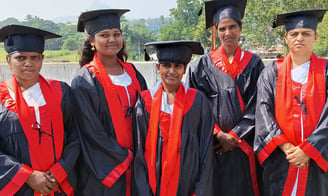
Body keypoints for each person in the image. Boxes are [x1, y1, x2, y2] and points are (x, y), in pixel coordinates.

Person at [186, 0, 265, 195]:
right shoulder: (200, 66)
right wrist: (217, 134)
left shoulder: (254, 64)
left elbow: (259, 103)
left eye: (232, 27)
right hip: (212, 146)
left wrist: (236, 135)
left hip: (244, 145)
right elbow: (194, 106)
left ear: (240, 28)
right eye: (222, 28)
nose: (227, 33)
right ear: (216, 30)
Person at [71, 9, 147, 196]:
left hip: (138, 161)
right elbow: (90, 131)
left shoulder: (132, 72)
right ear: (91, 41)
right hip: (104, 171)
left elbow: (147, 112)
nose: (112, 39)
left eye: (116, 34)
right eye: (104, 35)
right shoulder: (84, 80)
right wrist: (123, 156)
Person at [255, 9, 328, 196]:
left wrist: (309, 149)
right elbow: (264, 113)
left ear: (315, 37)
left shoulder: (326, 71)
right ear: (286, 38)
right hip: (282, 159)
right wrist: (287, 148)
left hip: (319, 160)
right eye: (294, 34)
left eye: (306, 34)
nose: (300, 38)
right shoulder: (272, 73)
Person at [0, 25, 80, 196]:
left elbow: (76, 136)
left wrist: (59, 172)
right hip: (18, 188)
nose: (28, 63)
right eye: (21, 57)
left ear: (42, 59)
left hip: (59, 185)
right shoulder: (1, 98)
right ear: (8, 61)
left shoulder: (62, 91)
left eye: (35, 57)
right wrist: (27, 176)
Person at [132, 40, 214, 196]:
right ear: (158, 68)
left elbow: (205, 152)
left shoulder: (198, 101)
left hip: (187, 186)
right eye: (166, 65)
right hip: (153, 186)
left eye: (178, 66)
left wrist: (200, 191)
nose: (172, 71)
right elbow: (139, 152)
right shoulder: (145, 102)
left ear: (185, 69)